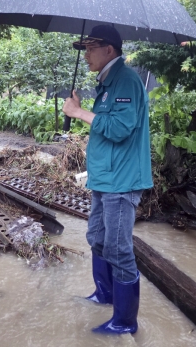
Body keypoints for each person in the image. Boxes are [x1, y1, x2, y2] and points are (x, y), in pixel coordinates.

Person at [62, 24, 153, 335]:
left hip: (121, 181)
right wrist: (80, 111)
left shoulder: (125, 81)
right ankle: (104, 294)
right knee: (97, 239)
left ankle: (125, 322)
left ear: (109, 50)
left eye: (91, 48)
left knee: (117, 248)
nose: (86, 54)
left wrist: (79, 113)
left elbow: (119, 128)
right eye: (85, 49)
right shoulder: (107, 83)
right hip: (105, 179)